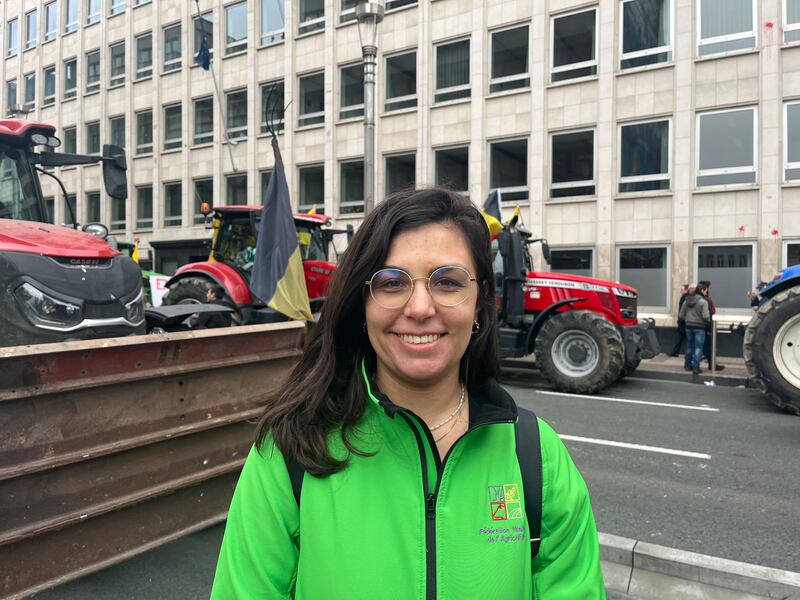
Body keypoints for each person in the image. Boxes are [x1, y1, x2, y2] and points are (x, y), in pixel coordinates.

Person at [211, 188, 605, 599]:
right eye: (392, 282)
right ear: (361, 304)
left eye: (448, 281)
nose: (419, 308)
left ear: (480, 303)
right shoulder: (290, 452)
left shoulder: (536, 457)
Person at [679, 283, 710, 374]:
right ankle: (696, 367)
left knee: (689, 346)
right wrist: (705, 322)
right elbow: (706, 317)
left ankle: (687, 365)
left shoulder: (685, 301)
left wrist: (688, 320)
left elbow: (680, 315)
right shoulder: (703, 302)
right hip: (700, 327)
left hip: (688, 326)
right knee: (698, 347)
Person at [698, 280, 724, 371]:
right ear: (704, 290)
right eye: (708, 289)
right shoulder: (706, 300)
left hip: (695, 326)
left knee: (696, 346)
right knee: (707, 346)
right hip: (705, 326)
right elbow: (710, 313)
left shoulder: (693, 298)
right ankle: (711, 364)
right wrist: (710, 328)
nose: (709, 290)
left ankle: (691, 365)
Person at [668, 284, 689, 356]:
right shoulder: (687, 297)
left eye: (682, 290)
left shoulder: (684, 298)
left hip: (683, 321)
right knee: (681, 338)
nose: (680, 291)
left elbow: (682, 310)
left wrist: (680, 319)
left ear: (686, 290)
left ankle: (675, 352)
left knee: (679, 337)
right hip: (685, 321)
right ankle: (675, 352)